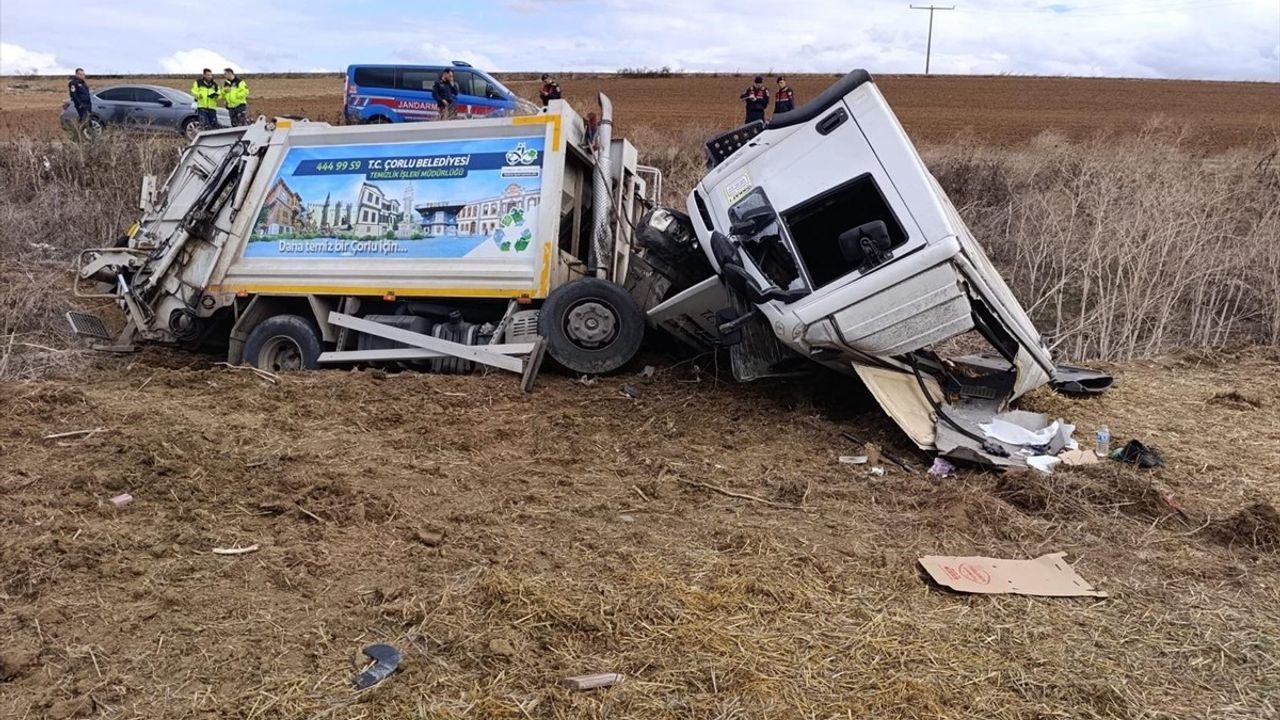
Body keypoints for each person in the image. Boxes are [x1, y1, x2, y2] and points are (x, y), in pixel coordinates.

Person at [67, 68, 93, 137]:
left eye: (83, 74)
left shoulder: (83, 83)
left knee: (86, 120)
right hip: (81, 105)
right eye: (80, 74)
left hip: (87, 104)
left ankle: (80, 135)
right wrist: (79, 104)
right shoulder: (74, 83)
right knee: (85, 120)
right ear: (76, 74)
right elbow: (73, 95)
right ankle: (78, 135)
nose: (82, 76)